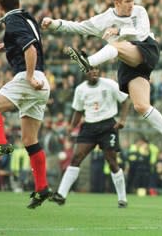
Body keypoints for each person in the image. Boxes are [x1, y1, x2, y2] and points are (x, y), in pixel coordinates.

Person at [41, 0, 162, 152]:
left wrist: (118, 30)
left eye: (132, 0)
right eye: (127, 1)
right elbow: (79, 27)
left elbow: (141, 34)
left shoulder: (139, 11)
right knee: (141, 105)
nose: (131, 4)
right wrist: (54, 24)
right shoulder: (105, 19)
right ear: (117, 3)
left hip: (146, 50)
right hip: (129, 63)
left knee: (116, 44)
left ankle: (88, 62)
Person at [0, 0, 51, 208]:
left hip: (29, 79)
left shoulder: (12, 21)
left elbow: (30, 48)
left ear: (0, 6)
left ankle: (1, 144)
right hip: (42, 82)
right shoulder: (27, 17)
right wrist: (8, 46)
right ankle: (42, 188)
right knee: (30, 140)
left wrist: (28, 77)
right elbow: (30, 42)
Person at [50, 67, 130, 208]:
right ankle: (61, 195)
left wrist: (122, 120)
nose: (94, 72)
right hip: (89, 127)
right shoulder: (80, 89)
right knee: (76, 158)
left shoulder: (110, 84)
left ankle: (122, 199)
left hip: (107, 126)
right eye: (90, 70)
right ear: (84, 72)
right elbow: (78, 111)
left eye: (96, 69)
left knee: (112, 162)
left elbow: (125, 100)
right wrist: (71, 126)